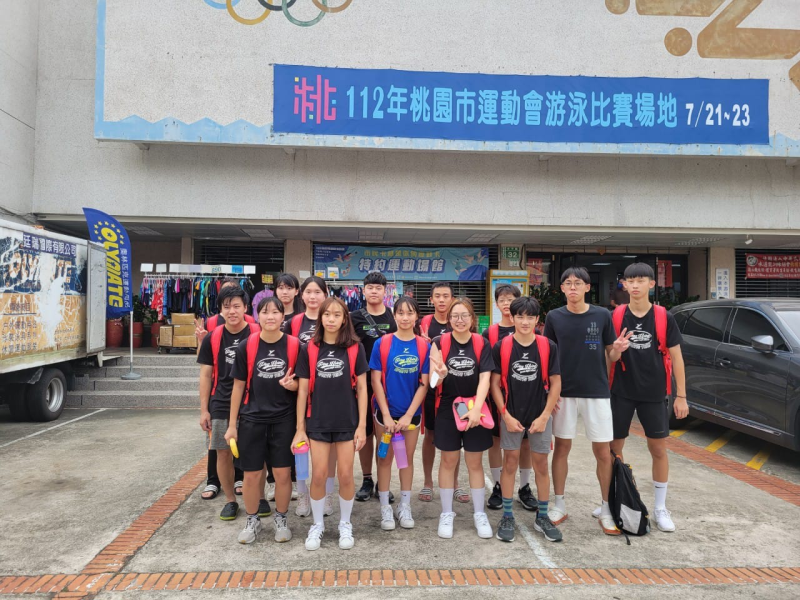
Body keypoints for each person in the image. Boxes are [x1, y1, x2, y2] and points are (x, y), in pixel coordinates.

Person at [543, 267, 630, 535]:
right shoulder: (554, 317)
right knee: (561, 448)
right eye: (568, 283)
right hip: (564, 392)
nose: (573, 287)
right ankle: (559, 505)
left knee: (603, 451)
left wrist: (617, 350)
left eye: (578, 283)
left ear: (587, 287)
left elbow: (611, 355)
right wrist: (549, 393)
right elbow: (547, 355)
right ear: (561, 288)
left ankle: (606, 508)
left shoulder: (602, 315)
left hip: (597, 391)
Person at [609, 262, 687, 533]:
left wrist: (681, 396)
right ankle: (615, 500)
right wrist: (616, 350)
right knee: (614, 449)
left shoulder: (664, 317)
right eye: (630, 281)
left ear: (652, 284)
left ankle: (660, 507)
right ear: (624, 284)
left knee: (658, 449)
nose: (635, 285)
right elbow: (610, 356)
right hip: (621, 390)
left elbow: (677, 358)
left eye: (641, 280)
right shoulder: (617, 316)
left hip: (654, 393)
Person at [293, 297, 369, 551]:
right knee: (319, 474)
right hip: (318, 421)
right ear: (320, 317)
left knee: (346, 474)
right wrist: (300, 428)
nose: (331, 319)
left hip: (347, 420)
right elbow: (302, 391)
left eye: (337, 315)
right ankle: (317, 524)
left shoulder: (355, 348)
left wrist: (361, 426)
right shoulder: (309, 348)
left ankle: (345, 523)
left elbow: (362, 388)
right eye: (327, 314)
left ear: (345, 319)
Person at [225, 297, 300, 544]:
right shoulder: (246, 346)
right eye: (265, 312)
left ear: (283, 317)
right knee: (251, 474)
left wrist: (292, 385)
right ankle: (252, 519)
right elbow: (238, 387)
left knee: (282, 474)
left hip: (284, 419)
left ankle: (281, 518)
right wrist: (232, 425)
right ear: (257, 316)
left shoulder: (294, 345)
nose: (270, 317)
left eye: (275, 312)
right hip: (252, 418)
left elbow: (303, 385)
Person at [490, 297, 562, 543]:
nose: (524, 321)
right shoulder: (502, 346)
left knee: (541, 464)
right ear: (512, 317)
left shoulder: (547, 346)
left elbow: (556, 383)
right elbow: (495, 384)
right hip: (511, 413)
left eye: (530, 317)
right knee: (510, 462)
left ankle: (542, 515)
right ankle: (507, 515)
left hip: (539, 414)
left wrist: (545, 416)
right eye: (520, 316)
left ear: (537, 320)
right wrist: (505, 415)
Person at [429, 297, 494, 540]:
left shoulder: (481, 342)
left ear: (472, 318)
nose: (459, 320)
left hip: (476, 407)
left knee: (475, 462)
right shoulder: (439, 342)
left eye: (464, 315)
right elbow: (432, 382)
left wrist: (477, 409)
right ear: (449, 319)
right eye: (455, 316)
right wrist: (441, 374)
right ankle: (447, 513)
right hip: (448, 408)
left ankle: (479, 513)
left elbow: (485, 378)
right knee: (448, 460)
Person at [197, 285, 261, 521]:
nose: (232, 311)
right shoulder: (213, 337)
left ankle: (259, 497)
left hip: (254, 402)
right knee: (223, 453)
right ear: (221, 310)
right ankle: (230, 501)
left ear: (246, 308)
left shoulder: (257, 332)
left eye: (236, 306)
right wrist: (204, 410)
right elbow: (206, 375)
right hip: (222, 402)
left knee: (258, 453)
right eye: (227, 307)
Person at [370, 297, 430, 531]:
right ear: (394, 315)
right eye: (401, 313)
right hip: (384, 413)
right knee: (384, 459)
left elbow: (424, 384)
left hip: (410, 415)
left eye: (410, 313)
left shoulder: (423, 346)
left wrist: (408, 415)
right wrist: (386, 415)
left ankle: (404, 505)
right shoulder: (382, 343)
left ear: (416, 316)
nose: (405, 317)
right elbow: (375, 380)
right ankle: (385, 506)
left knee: (406, 460)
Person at [483, 284, 537, 514]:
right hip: (497, 399)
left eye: (511, 299)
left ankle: (524, 487)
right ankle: (498, 486)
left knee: (525, 443)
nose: (506, 303)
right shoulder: (490, 333)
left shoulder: (531, 331)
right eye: (502, 300)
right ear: (496, 304)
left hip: (527, 397)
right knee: (495, 442)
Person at [418, 282, 469, 505]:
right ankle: (428, 482)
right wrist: (423, 344)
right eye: (437, 296)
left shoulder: (460, 320)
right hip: (433, 389)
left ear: (452, 299)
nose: (441, 300)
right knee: (430, 435)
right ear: (431, 299)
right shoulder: (424, 323)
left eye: (445, 296)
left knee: (456, 438)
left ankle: (455, 484)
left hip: (458, 391)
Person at [350, 272, 398, 503]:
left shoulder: (394, 316)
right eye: (370, 287)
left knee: (385, 432)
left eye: (378, 288)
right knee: (366, 432)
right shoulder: (354, 317)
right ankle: (367, 479)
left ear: (385, 291)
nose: (374, 291)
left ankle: (383, 482)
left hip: (389, 384)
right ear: (363, 290)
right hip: (362, 384)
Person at [287, 276, 330, 519]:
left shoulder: (332, 319)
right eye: (308, 292)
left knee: (329, 452)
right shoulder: (294, 322)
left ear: (325, 294)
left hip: (327, 393)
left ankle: (328, 494)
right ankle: (303, 494)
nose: (313, 297)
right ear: (301, 295)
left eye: (317, 292)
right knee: (301, 445)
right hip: (299, 391)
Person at [265, 273, 303, 502]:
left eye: (289, 287)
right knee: (270, 437)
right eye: (281, 287)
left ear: (297, 291)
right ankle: (272, 480)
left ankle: (295, 478)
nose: (285, 291)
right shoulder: (267, 315)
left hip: (297, 381)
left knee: (293, 433)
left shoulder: (301, 317)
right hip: (270, 381)